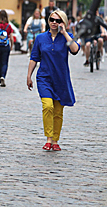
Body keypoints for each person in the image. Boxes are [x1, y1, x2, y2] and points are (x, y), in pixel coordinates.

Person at [27, 10, 79, 151]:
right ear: (48, 21)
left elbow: (75, 50)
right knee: (48, 106)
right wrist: (29, 76)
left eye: (58, 20)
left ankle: (55, 140)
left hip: (61, 79)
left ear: (63, 22)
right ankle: (48, 139)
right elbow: (34, 57)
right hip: (44, 77)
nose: (54, 22)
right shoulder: (40, 38)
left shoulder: (67, 37)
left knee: (58, 112)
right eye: (52, 19)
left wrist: (64, 33)